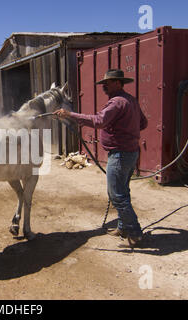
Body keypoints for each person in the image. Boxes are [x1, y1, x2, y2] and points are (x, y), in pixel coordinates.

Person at [54, 69, 148, 245]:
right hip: (130, 152)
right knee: (123, 191)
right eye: (104, 83)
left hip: (120, 155)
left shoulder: (116, 103)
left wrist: (69, 115)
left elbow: (98, 121)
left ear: (118, 83)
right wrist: (126, 131)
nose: (104, 85)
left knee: (117, 195)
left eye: (108, 82)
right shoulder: (131, 101)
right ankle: (123, 227)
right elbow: (143, 123)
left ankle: (135, 232)